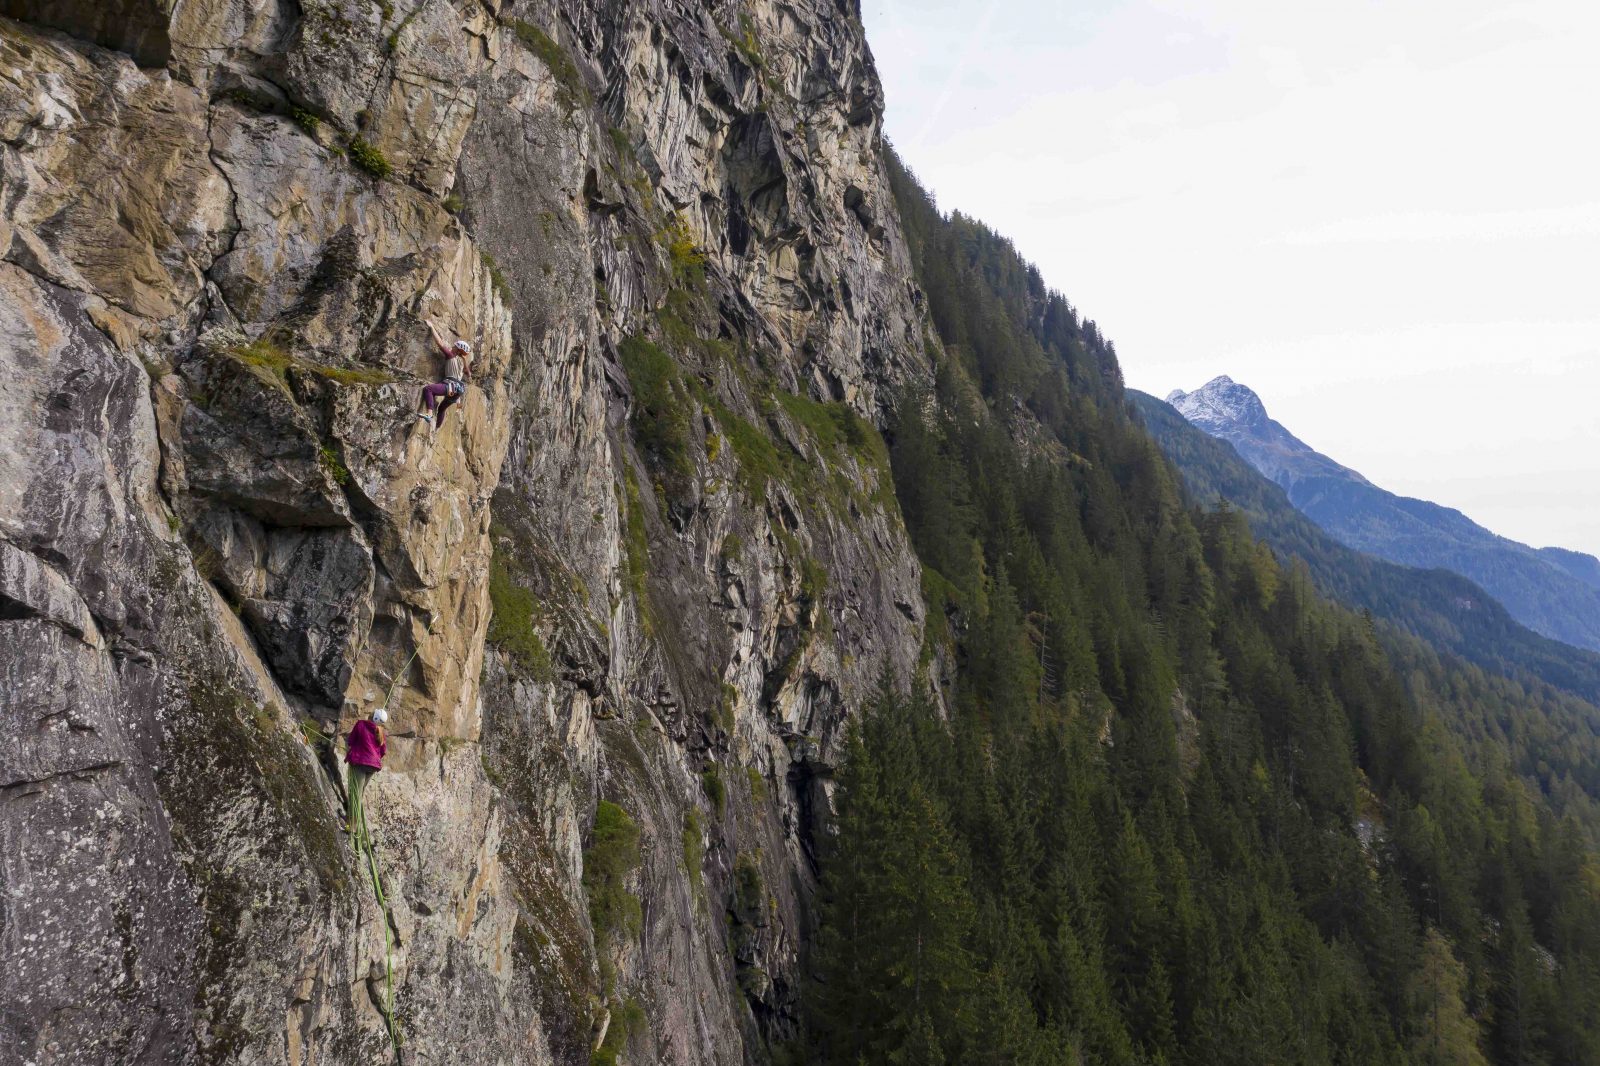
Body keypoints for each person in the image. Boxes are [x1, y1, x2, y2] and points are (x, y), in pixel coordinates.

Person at [416, 317, 471, 429]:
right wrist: (464, 359)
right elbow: (468, 374)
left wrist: (432, 327)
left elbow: (440, 343)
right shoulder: (461, 362)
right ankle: (436, 428)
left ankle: (430, 414)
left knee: (428, 389)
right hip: (458, 391)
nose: (452, 347)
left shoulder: (451, 356)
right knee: (441, 408)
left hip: (450, 386)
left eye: (455, 346)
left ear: (457, 349)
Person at [344, 707, 388, 840]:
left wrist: (357, 747)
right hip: (373, 766)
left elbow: (351, 741)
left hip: (360, 762)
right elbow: (383, 751)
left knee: (355, 793)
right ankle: (351, 818)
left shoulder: (361, 724)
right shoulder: (380, 732)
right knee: (360, 792)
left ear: (372, 716)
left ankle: (351, 826)